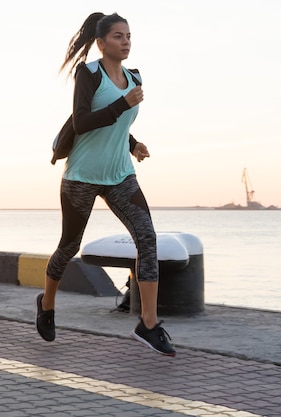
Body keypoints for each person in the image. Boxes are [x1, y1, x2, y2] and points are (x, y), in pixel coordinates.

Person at [35, 12, 176, 356]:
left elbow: (116, 124)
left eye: (128, 36)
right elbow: (83, 122)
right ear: (101, 43)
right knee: (69, 247)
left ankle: (149, 323)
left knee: (147, 238)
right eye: (117, 36)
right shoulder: (89, 73)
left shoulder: (134, 77)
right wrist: (121, 104)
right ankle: (47, 304)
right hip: (81, 176)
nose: (125, 41)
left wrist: (132, 144)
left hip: (120, 176)